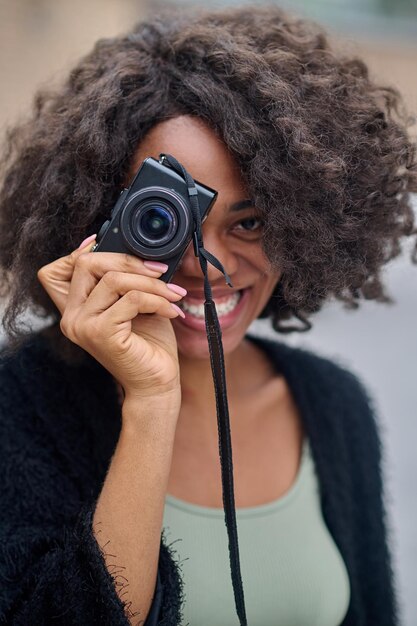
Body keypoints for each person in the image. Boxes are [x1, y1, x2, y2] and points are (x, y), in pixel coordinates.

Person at [0, 5, 416, 626]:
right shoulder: (19, 406)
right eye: (165, 222)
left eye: (248, 222)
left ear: (304, 229)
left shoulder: (331, 404)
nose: (206, 263)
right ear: (93, 222)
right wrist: (149, 403)